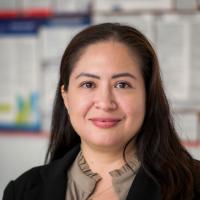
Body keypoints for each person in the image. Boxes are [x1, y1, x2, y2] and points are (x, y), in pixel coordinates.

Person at [3, 23, 200, 200]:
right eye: (88, 84)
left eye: (122, 84)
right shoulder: (22, 191)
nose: (105, 103)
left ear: (148, 95)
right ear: (66, 96)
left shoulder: (194, 187)